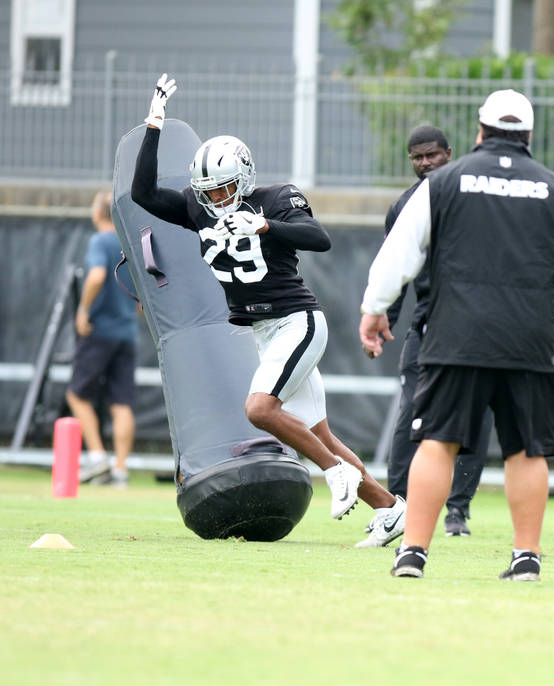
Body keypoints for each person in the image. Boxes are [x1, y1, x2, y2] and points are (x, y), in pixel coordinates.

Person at [130, 74, 405, 545]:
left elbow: (319, 238)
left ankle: (335, 473)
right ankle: (390, 509)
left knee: (260, 409)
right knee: (320, 432)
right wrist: (154, 125)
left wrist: (265, 226)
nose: (216, 199)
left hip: (297, 322)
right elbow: (143, 194)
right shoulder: (199, 211)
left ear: (245, 177)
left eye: (224, 189)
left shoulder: (276, 198)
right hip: (263, 330)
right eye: (209, 192)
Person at [359, 89, 554, 580]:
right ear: (529, 136)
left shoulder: (442, 183)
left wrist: (374, 309)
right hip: (530, 340)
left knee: (437, 441)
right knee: (526, 449)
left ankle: (412, 554)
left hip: (455, 336)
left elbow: (398, 253)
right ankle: (526, 559)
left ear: (479, 132)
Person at [381, 124, 489, 539]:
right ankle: (395, 506)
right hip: (427, 326)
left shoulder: (474, 195)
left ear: (449, 152)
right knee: (411, 414)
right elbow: (392, 270)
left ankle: (457, 510)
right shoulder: (403, 207)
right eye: (417, 157)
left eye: (432, 155)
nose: (425, 163)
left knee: (474, 417)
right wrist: (384, 320)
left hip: (476, 327)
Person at [67, 191, 139, 487]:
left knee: (77, 394)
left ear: (97, 214)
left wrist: (83, 310)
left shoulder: (100, 241)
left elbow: (96, 276)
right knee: (121, 402)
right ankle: (120, 471)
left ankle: (97, 458)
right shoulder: (130, 244)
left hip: (100, 333)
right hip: (127, 333)